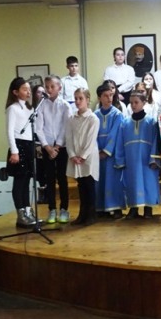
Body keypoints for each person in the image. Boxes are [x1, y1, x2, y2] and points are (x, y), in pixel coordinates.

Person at [115, 90, 161, 219]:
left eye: (136, 102)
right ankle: (133, 208)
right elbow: (120, 142)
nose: (133, 105)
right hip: (131, 160)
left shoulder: (151, 122)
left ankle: (148, 208)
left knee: (148, 182)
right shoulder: (125, 123)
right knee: (132, 183)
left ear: (144, 103)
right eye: (131, 103)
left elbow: (155, 142)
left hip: (147, 160)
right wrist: (120, 160)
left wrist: (154, 159)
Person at [36, 75, 71, 224]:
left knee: (62, 178)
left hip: (61, 147)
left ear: (59, 88)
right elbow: (38, 128)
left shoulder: (65, 105)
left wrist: (57, 146)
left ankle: (64, 209)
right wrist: (47, 146)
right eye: (47, 87)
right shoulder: (41, 105)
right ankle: (51, 209)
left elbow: (66, 127)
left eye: (52, 86)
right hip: (47, 147)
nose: (49, 89)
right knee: (49, 179)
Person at [5, 77, 39, 228]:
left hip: (29, 145)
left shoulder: (30, 109)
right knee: (19, 182)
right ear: (15, 92)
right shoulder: (12, 108)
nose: (28, 92)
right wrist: (14, 151)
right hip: (18, 146)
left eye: (29, 89)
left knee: (27, 182)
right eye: (24, 89)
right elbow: (10, 131)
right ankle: (21, 214)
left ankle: (28, 211)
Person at [65, 88, 99, 226]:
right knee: (81, 185)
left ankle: (91, 214)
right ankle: (82, 214)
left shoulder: (93, 118)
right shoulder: (71, 119)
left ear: (87, 100)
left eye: (80, 98)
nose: (77, 101)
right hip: (75, 156)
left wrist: (83, 156)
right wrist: (73, 155)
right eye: (76, 98)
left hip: (88, 156)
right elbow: (68, 138)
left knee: (89, 184)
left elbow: (91, 140)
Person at [94, 82, 125, 218]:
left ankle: (116, 208)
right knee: (99, 180)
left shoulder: (117, 114)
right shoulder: (94, 115)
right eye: (106, 96)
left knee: (113, 181)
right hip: (97, 153)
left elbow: (115, 134)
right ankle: (101, 207)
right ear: (100, 98)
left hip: (112, 153)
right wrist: (96, 150)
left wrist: (106, 151)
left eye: (111, 95)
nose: (109, 98)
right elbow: (92, 135)